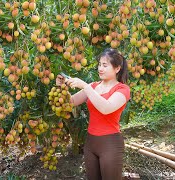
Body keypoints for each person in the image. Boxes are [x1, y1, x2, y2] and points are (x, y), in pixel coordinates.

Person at [56, 48, 130, 180]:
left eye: (105, 65)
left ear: (117, 69)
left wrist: (85, 86)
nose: (100, 68)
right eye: (99, 64)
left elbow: (106, 108)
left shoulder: (122, 89)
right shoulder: (94, 86)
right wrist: (61, 87)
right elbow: (71, 102)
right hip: (90, 143)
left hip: (110, 144)